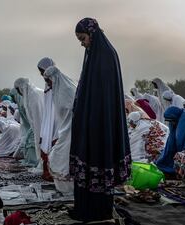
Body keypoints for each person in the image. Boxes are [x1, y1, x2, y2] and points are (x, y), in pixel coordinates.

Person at [70, 18, 131, 222]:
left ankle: (98, 210)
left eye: (83, 38)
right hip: (90, 120)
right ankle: (84, 208)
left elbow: (104, 97)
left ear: (92, 34)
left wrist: (92, 117)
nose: (82, 43)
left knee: (98, 159)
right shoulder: (93, 55)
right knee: (87, 160)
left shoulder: (105, 56)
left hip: (100, 122)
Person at [43, 64, 77, 194]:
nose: (48, 84)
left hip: (72, 131)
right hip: (65, 130)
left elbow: (71, 111)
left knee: (61, 158)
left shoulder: (67, 90)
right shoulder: (58, 90)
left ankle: (70, 189)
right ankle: (64, 188)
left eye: (48, 81)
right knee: (59, 157)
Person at [37, 57, 60, 182]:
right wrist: (44, 131)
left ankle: (56, 175)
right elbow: (47, 110)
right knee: (46, 147)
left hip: (57, 123)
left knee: (55, 149)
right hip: (48, 123)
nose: (42, 75)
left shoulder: (59, 84)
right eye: (41, 72)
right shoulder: (47, 85)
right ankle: (48, 173)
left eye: (43, 71)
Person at [156, 106, 185, 174]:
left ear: (175, 117)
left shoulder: (184, 121)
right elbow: (171, 141)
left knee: (184, 157)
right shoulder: (177, 119)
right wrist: (163, 157)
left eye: (172, 121)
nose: (172, 123)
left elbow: (182, 142)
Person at [13, 78, 44, 167]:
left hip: (40, 127)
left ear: (21, 87)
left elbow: (38, 117)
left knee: (33, 144)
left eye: (18, 89)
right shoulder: (29, 95)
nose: (18, 92)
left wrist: (38, 135)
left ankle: (37, 163)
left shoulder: (33, 96)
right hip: (36, 127)